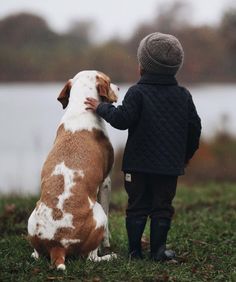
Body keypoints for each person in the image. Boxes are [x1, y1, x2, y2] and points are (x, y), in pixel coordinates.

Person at [85, 32, 201, 261]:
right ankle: (158, 251)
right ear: (175, 68)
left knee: (137, 206)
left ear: (142, 67)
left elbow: (122, 120)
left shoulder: (137, 92)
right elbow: (194, 129)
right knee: (162, 207)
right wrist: (184, 156)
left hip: (137, 166)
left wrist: (100, 108)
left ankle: (134, 252)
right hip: (168, 168)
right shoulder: (183, 95)